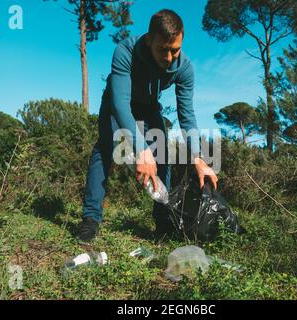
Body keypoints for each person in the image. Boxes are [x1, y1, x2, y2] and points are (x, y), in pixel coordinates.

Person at [77, 9, 218, 242]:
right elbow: (122, 105)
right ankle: (90, 219)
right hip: (116, 100)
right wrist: (141, 151)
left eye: (175, 49)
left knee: (162, 154)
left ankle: (162, 224)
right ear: (149, 39)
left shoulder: (185, 68)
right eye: (163, 49)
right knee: (106, 148)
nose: (170, 57)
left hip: (149, 105)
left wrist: (198, 157)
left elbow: (187, 115)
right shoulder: (125, 51)